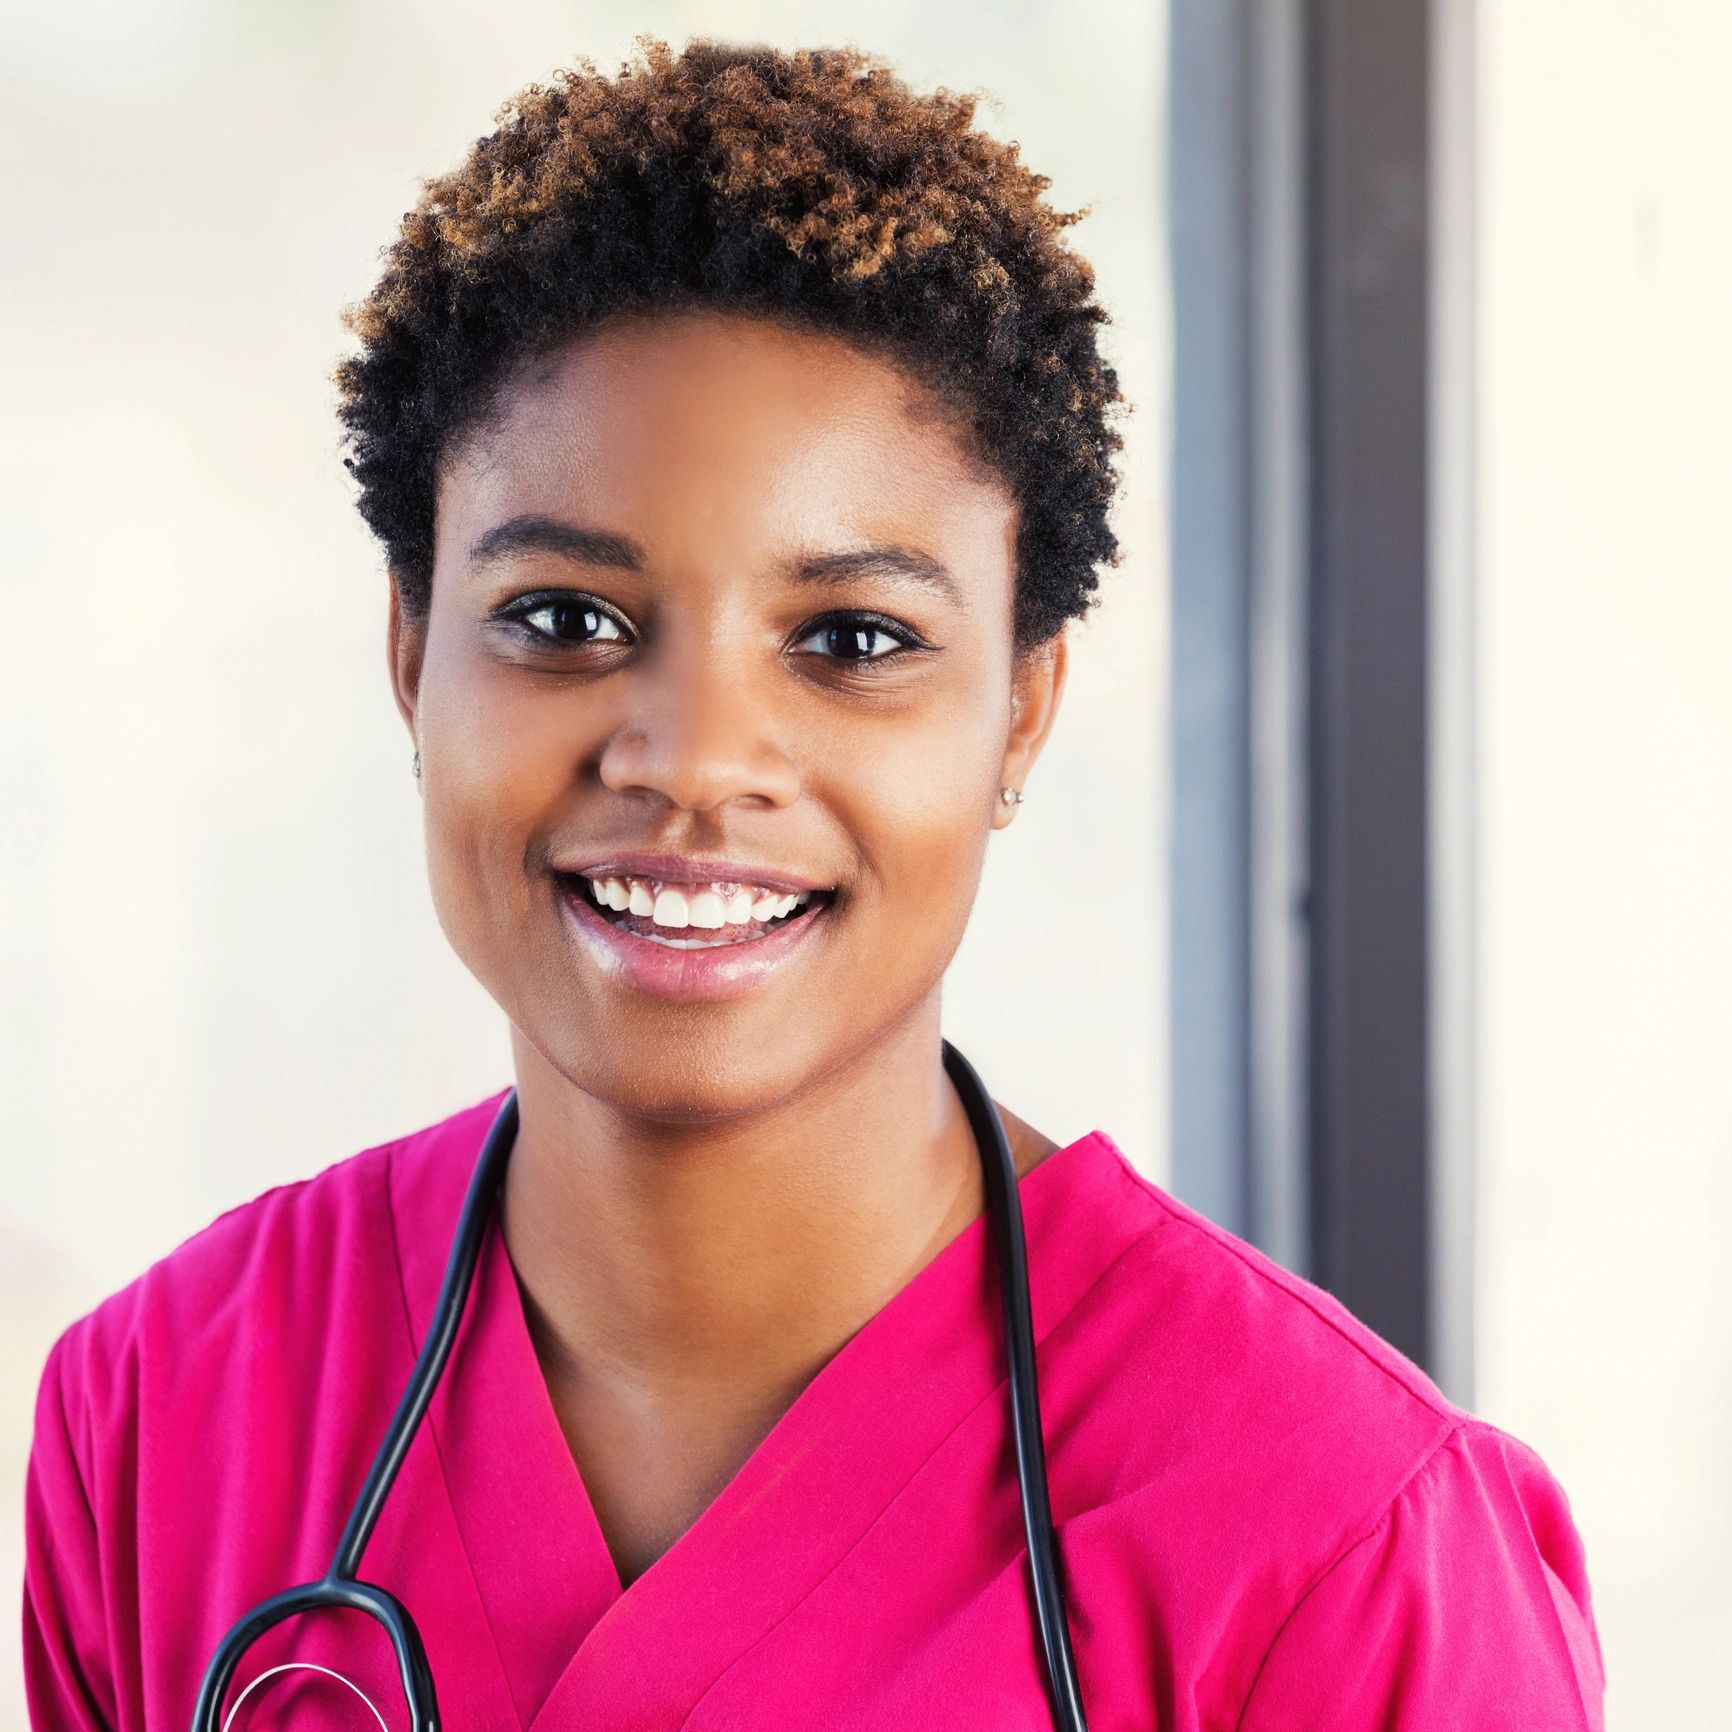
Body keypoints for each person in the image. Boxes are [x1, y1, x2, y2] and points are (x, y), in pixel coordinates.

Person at [22, 36, 1606, 1730]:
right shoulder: (167, 1417)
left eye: (853, 640)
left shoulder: (1341, 1555)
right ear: (413, 657)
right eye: (565, 620)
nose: (696, 760)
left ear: (1024, 704)